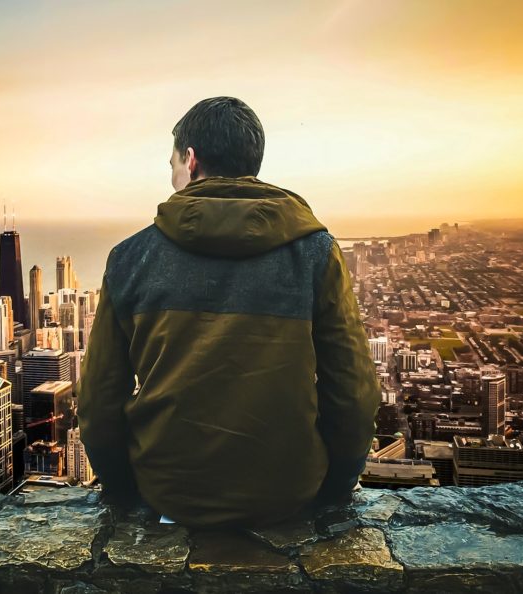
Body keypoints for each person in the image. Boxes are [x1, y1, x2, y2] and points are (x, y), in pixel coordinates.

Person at [76, 96, 379, 528]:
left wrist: (124, 492)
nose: (174, 176)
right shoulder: (316, 252)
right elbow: (353, 390)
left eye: (173, 164)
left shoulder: (130, 258)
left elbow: (99, 400)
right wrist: (335, 488)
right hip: (290, 492)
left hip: (168, 494)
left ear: (192, 161)